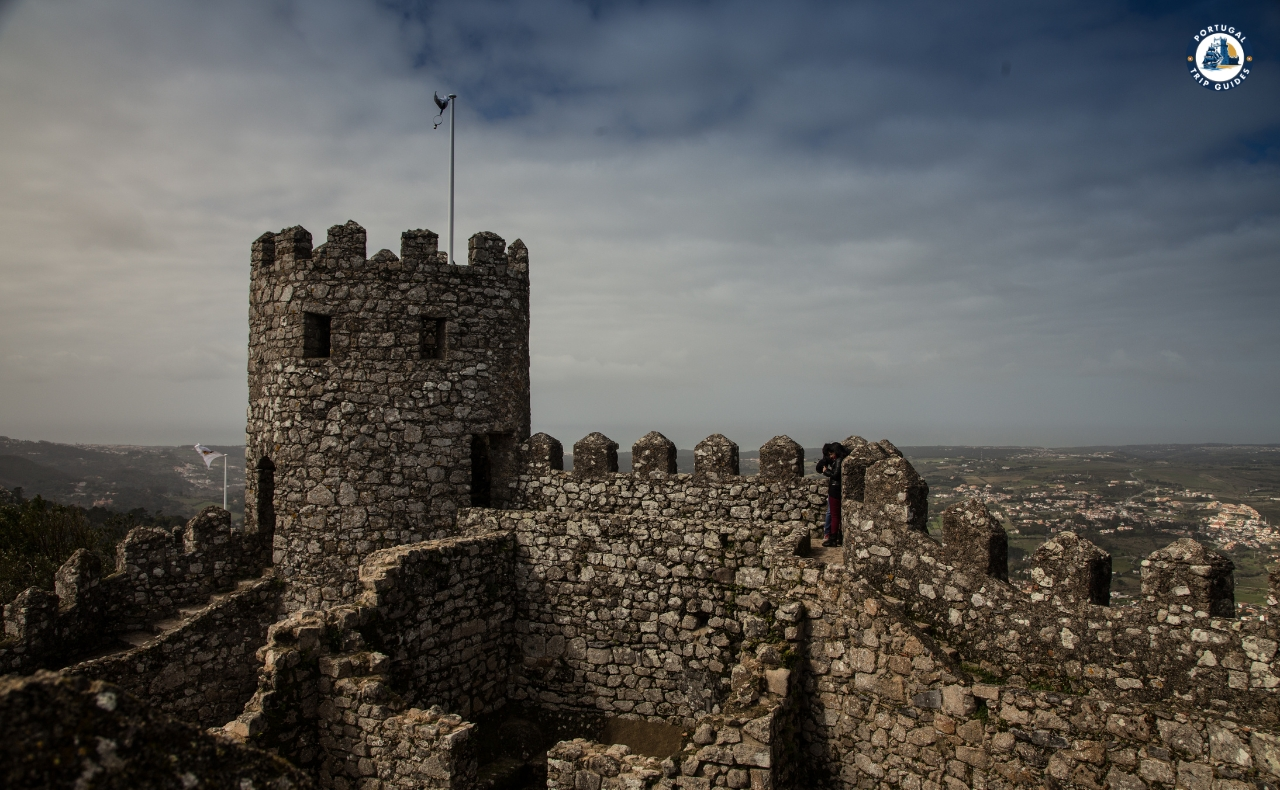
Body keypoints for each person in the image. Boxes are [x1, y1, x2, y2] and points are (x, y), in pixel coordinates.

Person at [815, 442, 848, 547]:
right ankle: (833, 536)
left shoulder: (838, 461)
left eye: (831, 453)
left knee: (833, 515)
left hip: (835, 490)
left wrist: (826, 471)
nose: (830, 456)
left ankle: (832, 538)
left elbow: (835, 475)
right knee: (834, 514)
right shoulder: (839, 460)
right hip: (836, 489)